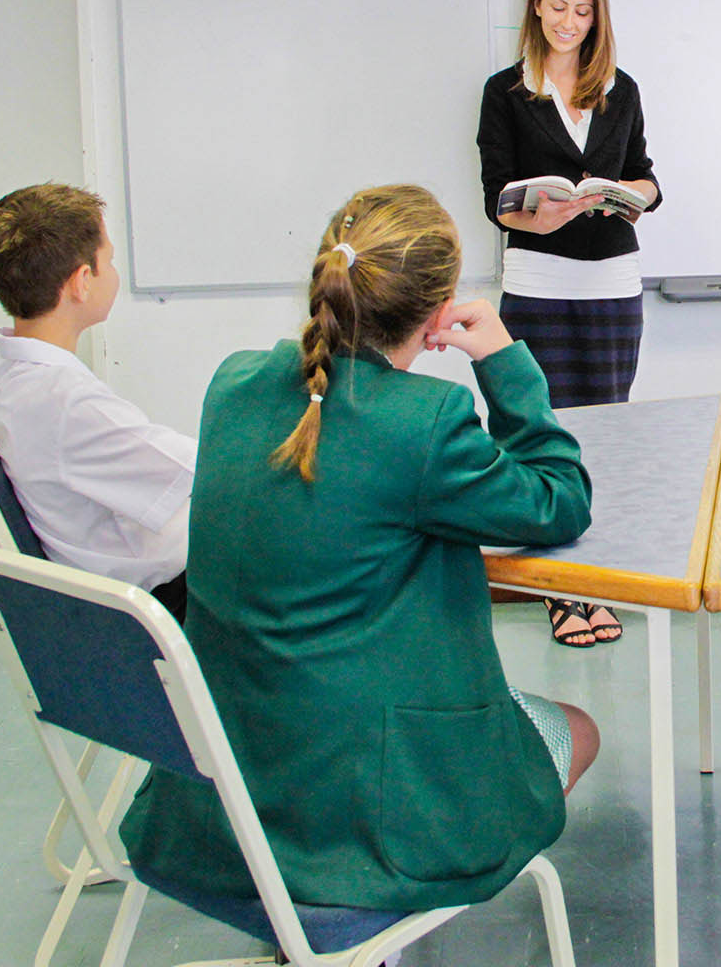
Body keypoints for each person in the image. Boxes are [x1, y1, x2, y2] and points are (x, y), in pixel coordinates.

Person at [119, 183, 599, 915]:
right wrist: (503, 361)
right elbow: (559, 500)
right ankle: (366, 929)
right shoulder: (424, 423)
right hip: (367, 816)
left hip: (225, 797)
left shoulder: (233, 386)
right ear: (439, 310)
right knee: (580, 728)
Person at [478, 0, 662, 648]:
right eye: (558, 6)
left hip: (612, 287)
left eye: (583, 11)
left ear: (597, 18)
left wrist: (632, 198)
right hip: (536, 284)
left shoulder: (622, 88)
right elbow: (496, 192)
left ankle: (595, 583)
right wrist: (537, 216)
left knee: (604, 438)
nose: (568, 22)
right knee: (538, 436)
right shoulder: (506, 90)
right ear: (536, 6)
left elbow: (644, 175)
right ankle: (557, 589)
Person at [0, 183, 195, 620]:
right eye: (108, 260)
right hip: (158, 597)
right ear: (82, 282)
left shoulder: (1, 373)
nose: (113, 271)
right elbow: (198, 472)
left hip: (105, 574)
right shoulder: (67, 403)